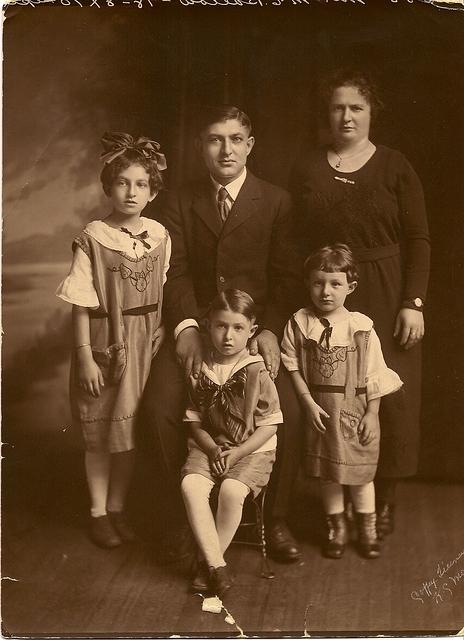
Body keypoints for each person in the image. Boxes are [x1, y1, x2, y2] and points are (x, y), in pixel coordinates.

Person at [143, 105, 303, 564]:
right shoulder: (178, 201)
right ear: (201, 147)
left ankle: (275, 516)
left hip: (250, 335)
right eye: (215, 139)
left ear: (250, 145)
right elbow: (174, 273)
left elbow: (287, 276)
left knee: (286, 406)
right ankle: (181, 519)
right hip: (199, 332)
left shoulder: (276, 201)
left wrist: (269, 330)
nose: (226, 149)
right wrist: (189, 327)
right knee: (157, 407)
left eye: (235, 139)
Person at [290, 69, 430, 538]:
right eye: (338, 108)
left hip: (386, 290)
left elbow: (419, 239)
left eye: (357, 108)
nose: (346, 116)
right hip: (327, 293)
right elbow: (294, 240)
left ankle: (381, 500)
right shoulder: (308, 167)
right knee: (333, 396)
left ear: (371, 113)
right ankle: (337, 503)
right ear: (327, 114)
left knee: (387, 396)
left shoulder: (395, 165)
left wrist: (413, 301)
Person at [56, 132, 171, 548]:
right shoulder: (93, 237)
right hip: (106, 343)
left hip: (145, 345)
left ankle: (119, 507)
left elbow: (160, 288)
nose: (131, 192)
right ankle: (98, 511)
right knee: (102, 431)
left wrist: (159, 326)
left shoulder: (159, 235)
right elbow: (81, 304)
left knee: (129, 433)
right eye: (123, 182)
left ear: (152, 191)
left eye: (141, 183)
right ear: (108, 187)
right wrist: (85, 357)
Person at [281, 244, 402, 559]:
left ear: (351, 287)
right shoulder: (299, 322)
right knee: (328, 472)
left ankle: (367, 527)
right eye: (318, 282)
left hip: (353, 410)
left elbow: (375, 373)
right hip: (320, 412)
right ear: (308, 284)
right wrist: (307, 403)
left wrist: (372, 414)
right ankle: (337, 527)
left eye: (335, 284)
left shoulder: (360, 327)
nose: (325, 291)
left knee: (360, 472)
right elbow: (292, 364)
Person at [181, 289, 282, 597]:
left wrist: (238, 450)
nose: (228, 336)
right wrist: (211, 448)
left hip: (251, 446)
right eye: (220, 326)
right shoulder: (202, 369)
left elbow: (270, 425)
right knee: (191, 486)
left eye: (238, 328)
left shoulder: (256, 370)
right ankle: (216, 565)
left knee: (231, 490)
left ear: (252, 329)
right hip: (210, 443)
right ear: (208, 326)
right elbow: (194, 424)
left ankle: (205, 563)